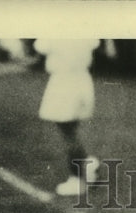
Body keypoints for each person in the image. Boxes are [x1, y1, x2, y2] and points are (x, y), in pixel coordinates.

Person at [34, 38, 101, 196]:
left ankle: (77, 179)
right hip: (82, 80)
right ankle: (87, 164)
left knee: (68, 134)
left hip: (64, 83)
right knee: (71, 131)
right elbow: (94, 42)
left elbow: (40, 45)